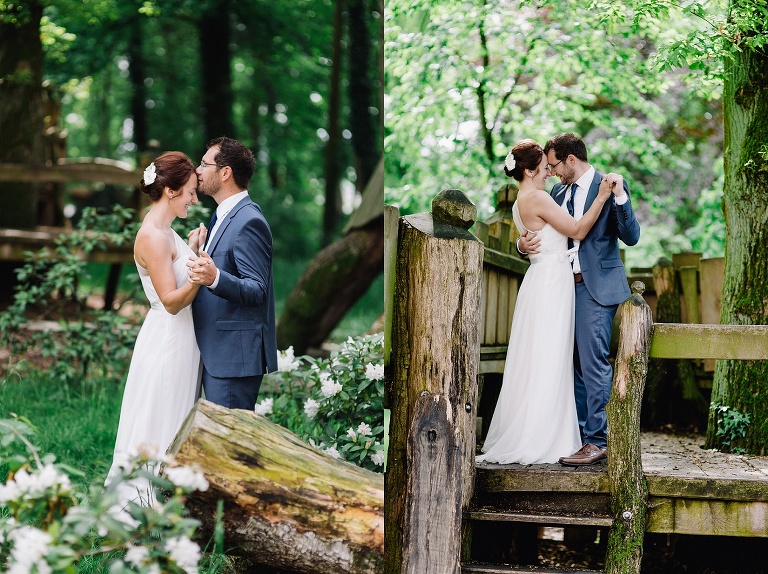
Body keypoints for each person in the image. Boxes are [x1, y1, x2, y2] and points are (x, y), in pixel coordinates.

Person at [477, 139, 622, 465]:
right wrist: (601, 196)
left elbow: (534, 236)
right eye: (544, 168)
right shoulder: (540, 197)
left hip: (541, 281)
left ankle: (549, 432)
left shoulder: (520, 202)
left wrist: (521, 245)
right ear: (529, 171)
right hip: (552, 284)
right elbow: (577, 230)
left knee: (541, 359)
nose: (549, 173)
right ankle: (546, 437)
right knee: (549, 359)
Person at [517, 133, 640, 465]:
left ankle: (597, 441)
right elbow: (543, 233)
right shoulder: (556, 193)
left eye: (554, 165)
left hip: (593, 287)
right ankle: (577, 436)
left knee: (591, 363)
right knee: (566, 363)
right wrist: (521, 245)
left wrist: (620, 197)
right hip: (559, 288)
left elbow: (631, 237)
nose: (552, 172)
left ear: (571, 160)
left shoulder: (609, 185)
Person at [105, 151, 203, 507]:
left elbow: (175, 272)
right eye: (191, 191)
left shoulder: (166, 232)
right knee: (160, 414)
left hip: (181, 338)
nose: (195, 199)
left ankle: (165, 499)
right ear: (171, 191)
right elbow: (172, 301)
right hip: (168, 340)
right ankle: (139, 503)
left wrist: (193, 251)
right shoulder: (153, 237)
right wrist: (200, 276)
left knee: (174, 414)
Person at [186, 136, 278, 410]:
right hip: (216, 351)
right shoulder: (223, 215)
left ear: (225, 172)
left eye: (204, 164)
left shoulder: (249, 220)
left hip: (233, 358)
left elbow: (257, 290)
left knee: (229, 437)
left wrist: (215, 278)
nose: (198, 171)